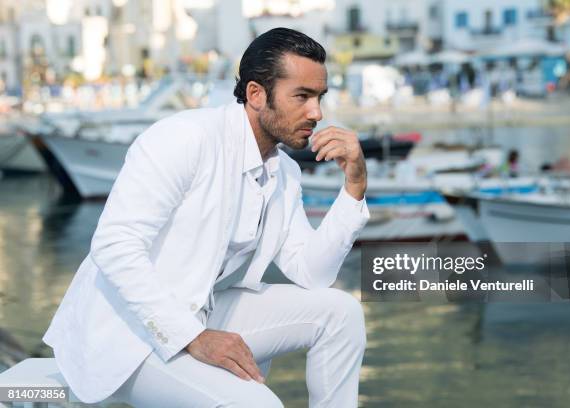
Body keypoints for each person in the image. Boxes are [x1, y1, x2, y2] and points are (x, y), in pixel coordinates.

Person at [42, 28, 370, 407]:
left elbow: (312, 274)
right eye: (302, 96)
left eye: (319, 97)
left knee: (341, 313)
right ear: (255, 94)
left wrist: (355, 185)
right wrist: (192, 337)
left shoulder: (284, 173)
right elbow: (115, 245)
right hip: (129, 335)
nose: (316, 112)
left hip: (203, 313)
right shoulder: (185, 138)